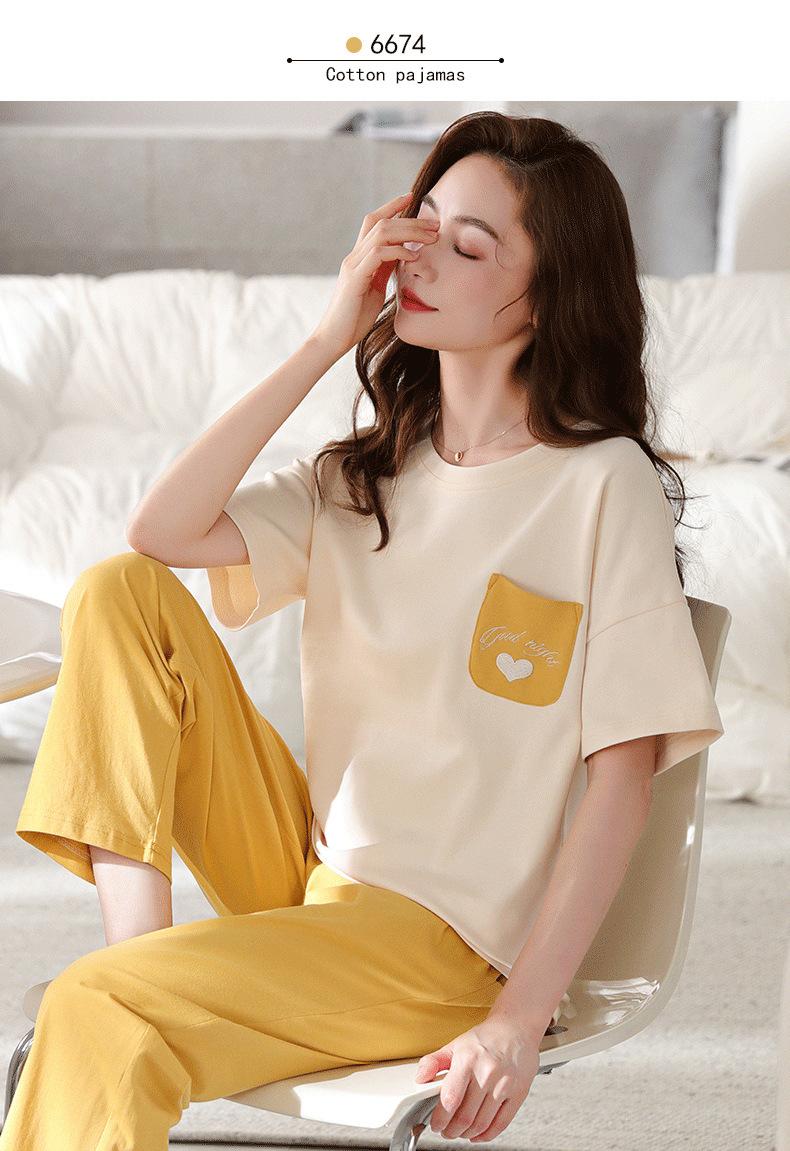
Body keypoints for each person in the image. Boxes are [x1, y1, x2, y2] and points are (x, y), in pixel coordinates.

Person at [5, 111, 724, 1150]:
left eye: (468, 245)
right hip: (311, 876)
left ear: (547, 294)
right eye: (420, 223)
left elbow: (624, 779)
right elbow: (161, 532)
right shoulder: (369, 475)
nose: (421, 257)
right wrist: (323, 338)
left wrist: (517, 1018)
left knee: (93, 1008)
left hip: (439, 944)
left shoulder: (599, 483)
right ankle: (139, 959)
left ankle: (130, 996)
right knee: (122, 591)